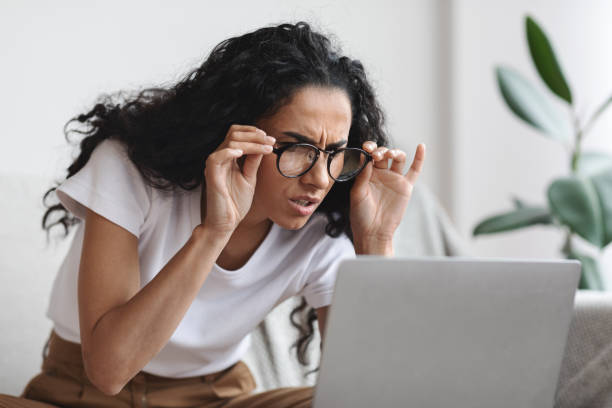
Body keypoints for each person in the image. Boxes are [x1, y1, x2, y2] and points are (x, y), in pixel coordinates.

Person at [0, 21, 425, 408]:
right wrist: (213, 232)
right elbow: (109, 371)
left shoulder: (324, 224)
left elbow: (372, 393)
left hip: (216, 398)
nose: (319, 179)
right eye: (297, 148)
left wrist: (375, 243)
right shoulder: (129, 170)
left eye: (336, 154)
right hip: (81, 395)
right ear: (235, 133)